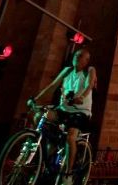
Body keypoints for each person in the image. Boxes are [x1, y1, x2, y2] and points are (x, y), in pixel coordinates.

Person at [29, 48, 96, 185]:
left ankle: (68, 173)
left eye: (80, 56)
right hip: (63, 109)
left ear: (86, 60)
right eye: (76, 55)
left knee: (71, 136)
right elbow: (52, 85)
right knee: (39, 116)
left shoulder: (90, 70)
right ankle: (47, 146)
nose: (76, 57)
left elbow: (89, 85)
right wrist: (35, 99)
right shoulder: (67, 71)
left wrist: (81, 96)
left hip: (80, 111)